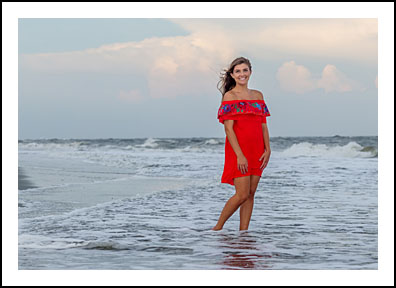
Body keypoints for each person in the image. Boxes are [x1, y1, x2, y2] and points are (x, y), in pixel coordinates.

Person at [212, 57, 271, 231]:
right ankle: (217, 228)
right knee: (242, 194)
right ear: (232, 74)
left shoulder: (258, 95)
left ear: (250, 72)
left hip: (257, 150)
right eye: (237, 71)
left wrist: (268, 149)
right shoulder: (230, 97)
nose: (242, 74)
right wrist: (240, 155)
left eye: (245, 70)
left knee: (251, 194)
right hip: (238, 151)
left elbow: (263, 124)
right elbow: (229, 129)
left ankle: (243, 233)